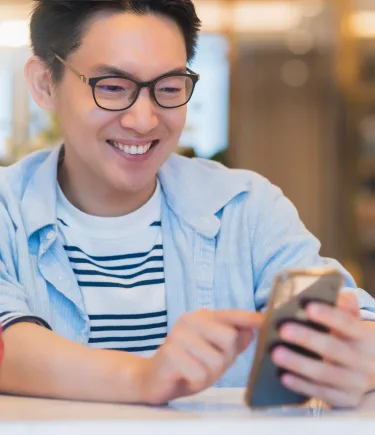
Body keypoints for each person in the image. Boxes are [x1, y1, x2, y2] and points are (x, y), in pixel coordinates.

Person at [0, 0, 374, 408]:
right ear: (44, 84)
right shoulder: (8, 211)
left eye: (168, 89)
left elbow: (360, 322)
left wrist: (358, 360)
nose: (143, 120)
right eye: (111, 87)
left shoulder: (244, 208)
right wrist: (144, 378)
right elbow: (9, 346)